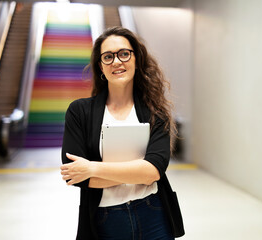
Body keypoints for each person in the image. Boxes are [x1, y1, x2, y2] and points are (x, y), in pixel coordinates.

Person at [60, 26, 178, 240]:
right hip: (106, 220)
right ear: (101, 67)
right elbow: (75, 176)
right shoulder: (79, 112)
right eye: (108, 57)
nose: (116, 61)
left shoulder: (155, 112)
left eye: (124, 53)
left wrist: (92, 168)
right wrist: (136, 173)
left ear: (136, 59)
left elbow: (153, 172)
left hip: (153, 214)